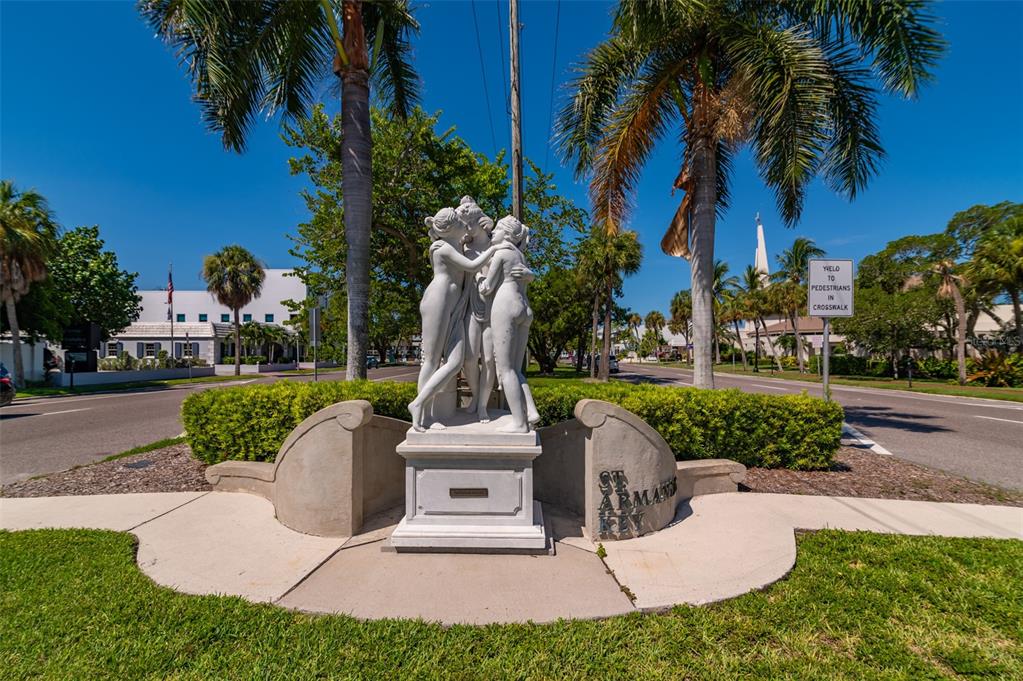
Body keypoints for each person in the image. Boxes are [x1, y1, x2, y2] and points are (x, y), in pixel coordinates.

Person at [408, 207, 509, 432]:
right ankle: (424, 415)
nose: (466, 226)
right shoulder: (442, 247)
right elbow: (472, 266)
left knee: (455, 362)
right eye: (461, 223)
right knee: (432, 361)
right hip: (438, 302)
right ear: (453, 228)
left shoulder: (456, 245)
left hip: (455, 309)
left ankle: (418, 403)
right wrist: (496, 248)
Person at [480, 215, 539, 432]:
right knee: (516, 369)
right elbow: (527, 277)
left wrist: (478, 280)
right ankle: (531, 411)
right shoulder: (520, 255)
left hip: (506, 305)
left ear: (506, 234)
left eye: (496, 230)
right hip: (524, 308)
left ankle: (519, 423)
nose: (492, 233)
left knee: (505, 370)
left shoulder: (501, 253)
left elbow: (487, 287)